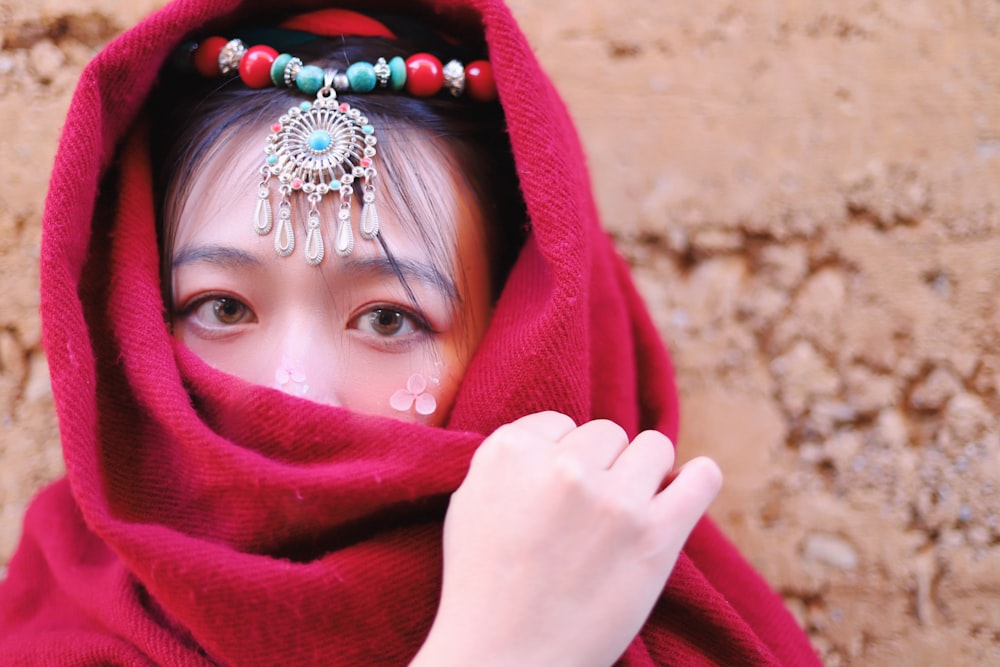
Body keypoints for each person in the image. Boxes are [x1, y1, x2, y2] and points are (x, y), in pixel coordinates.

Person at [0, 0, 821, 664]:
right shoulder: (67, 624)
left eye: (388, 317)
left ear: (515, 338)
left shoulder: (665, 631)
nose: (293, 389)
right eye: (222, 307)